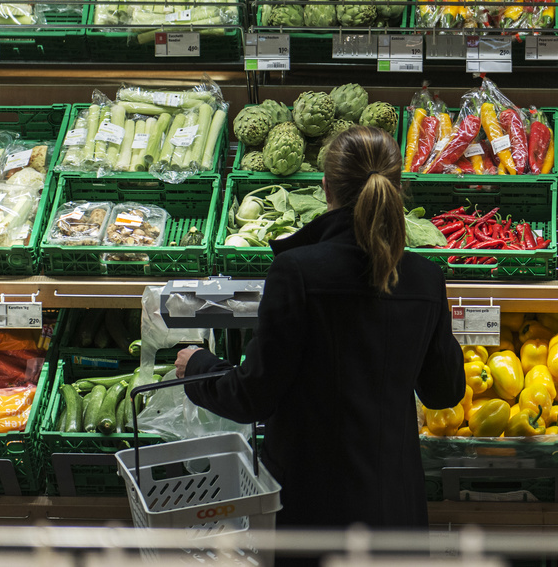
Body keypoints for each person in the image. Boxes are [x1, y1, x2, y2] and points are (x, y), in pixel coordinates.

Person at [177, 125, 464, 559]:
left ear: (325, 186)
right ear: (396, 187)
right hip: (396, 507)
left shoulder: (297, 272)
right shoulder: (426, 279)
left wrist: (198, 366)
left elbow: (253, 395)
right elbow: (445, 392)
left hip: (314, 510)